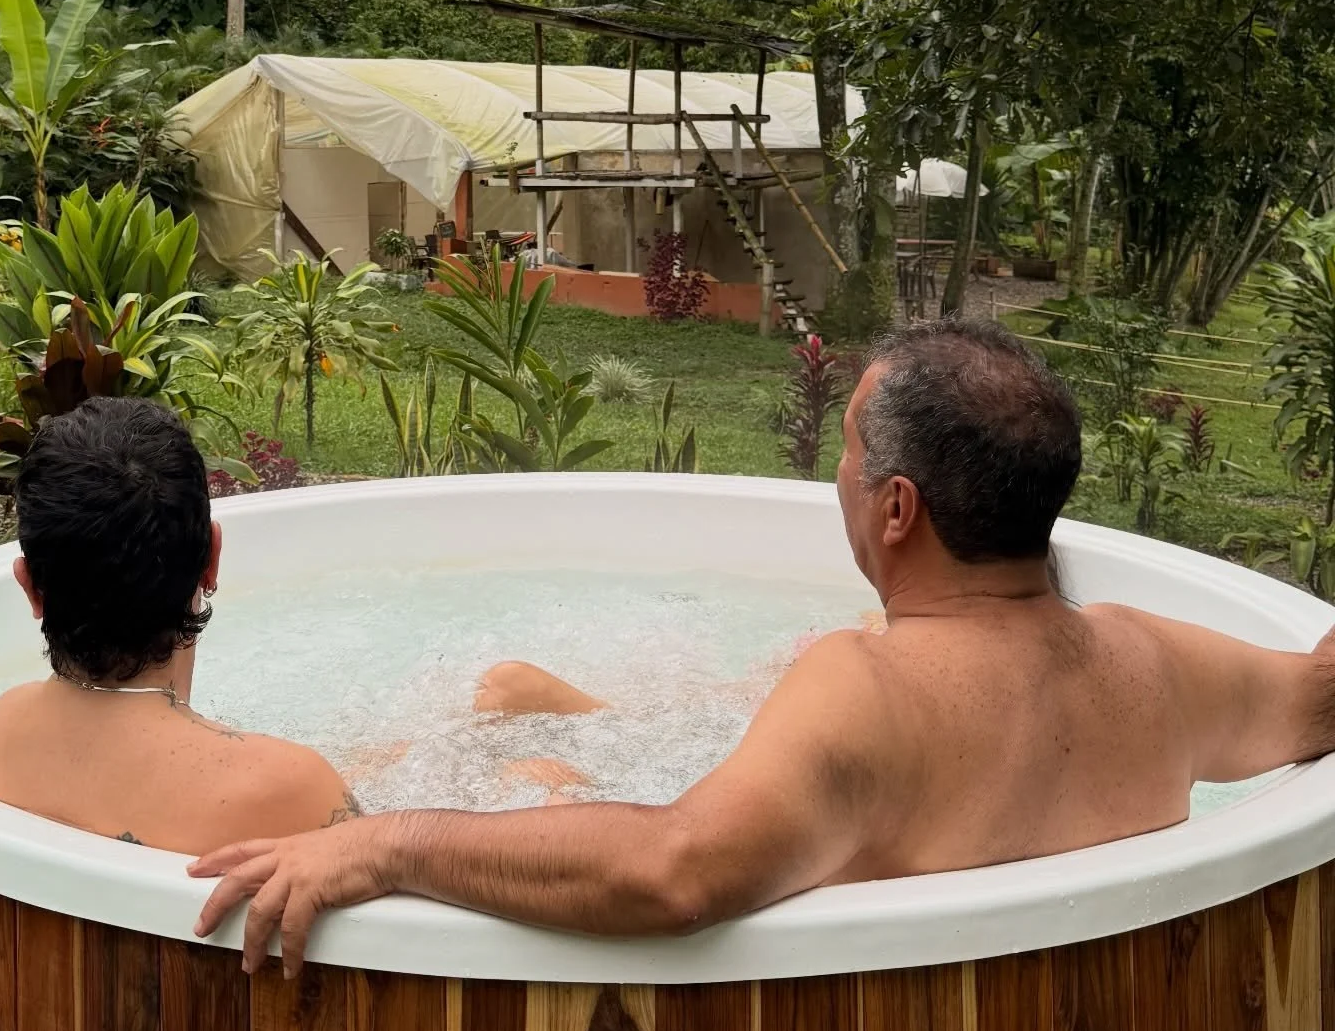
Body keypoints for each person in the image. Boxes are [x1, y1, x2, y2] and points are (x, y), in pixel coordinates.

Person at [190, 318, 1335, 977]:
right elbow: (1322, 696)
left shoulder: (865, 688)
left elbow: (674, 873)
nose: (829, 472)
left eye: (843, 447)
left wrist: (386, 845)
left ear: (898, 510)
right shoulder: (1155, 664)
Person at [0, 398, 573, 853]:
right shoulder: (287, 786)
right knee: (527, 733)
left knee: (496, 697)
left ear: (30, 587)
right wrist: (556, 799)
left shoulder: (1, 730)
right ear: (212, 561)